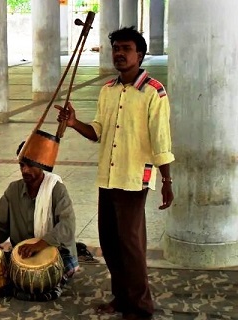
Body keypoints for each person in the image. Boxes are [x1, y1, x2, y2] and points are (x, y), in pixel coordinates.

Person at [56, 26, 174, 320]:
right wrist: (73, 122)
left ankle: (141, 308)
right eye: (116, 49)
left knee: (131, 246)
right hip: (107, 178)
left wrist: (167, 180)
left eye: (126, 49)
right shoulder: (107, 91)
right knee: (110, 242)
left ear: (140, 54)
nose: (120, 54)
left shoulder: (154, 92)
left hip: (134, 179)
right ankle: (121, 298)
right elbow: (97, 132)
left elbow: (162, 141)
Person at [0, 141, 78, 301]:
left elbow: (67, 226)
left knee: (57, 271)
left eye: (29, 165)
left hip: (56, 254)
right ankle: (20, 287)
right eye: (21, 165)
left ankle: (12, 287)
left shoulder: (57, 190)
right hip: (21, 254)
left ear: (42, 163)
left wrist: (41, 244)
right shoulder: (13, 190)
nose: (25, 170)